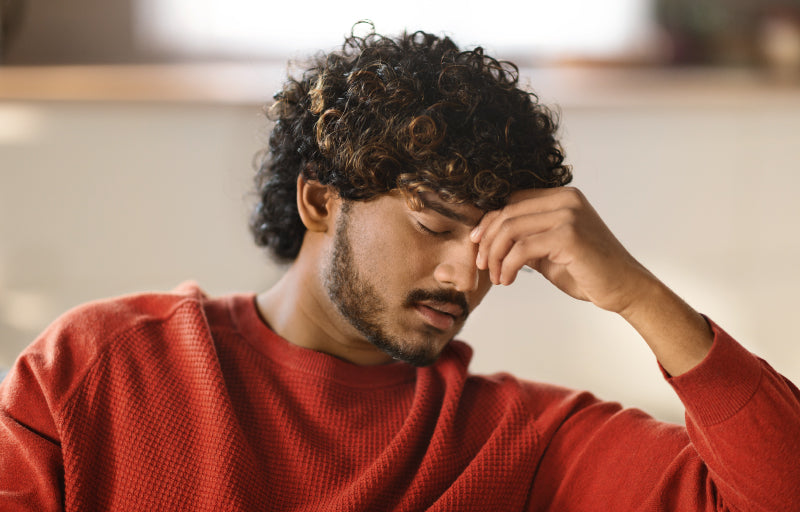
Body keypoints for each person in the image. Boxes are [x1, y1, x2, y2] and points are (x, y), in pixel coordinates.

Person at [1, 25, 799, 511]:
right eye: (433, 223)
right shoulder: (101, 368)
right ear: (321, 201)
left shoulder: (520, 443)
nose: (465, 276)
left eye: (490, 242)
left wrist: (638, 295)